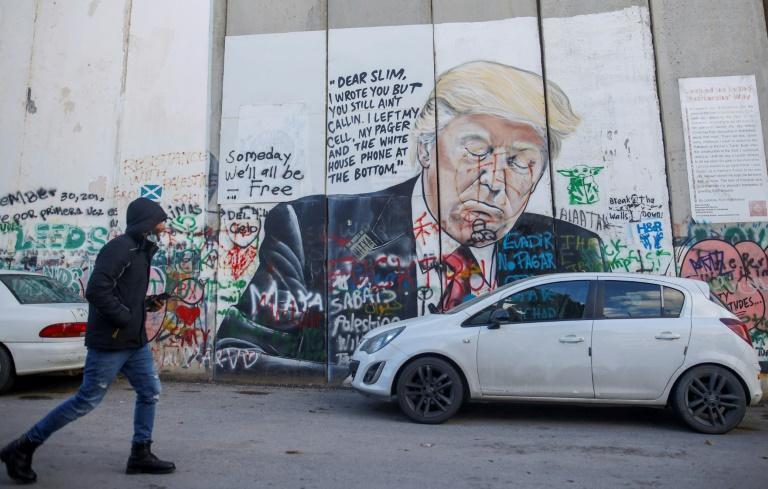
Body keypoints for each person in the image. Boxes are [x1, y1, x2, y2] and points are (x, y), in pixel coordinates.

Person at [215, 61, 605, 370]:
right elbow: (237, 354)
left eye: (521, 162)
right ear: (425, 149)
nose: (494, 181)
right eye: (476, 150)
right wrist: (363, 375)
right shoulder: (315, 226)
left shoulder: (568, 251)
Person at [0, 197, 175, 483]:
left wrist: (145, 304)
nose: (164, 224)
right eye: (160, 218)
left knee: (149, 390)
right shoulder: (119, 248)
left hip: (134, 342)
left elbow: (122, 295)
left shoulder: (142, 251)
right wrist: (124, 317)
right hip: (110, 341)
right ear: (147, 220)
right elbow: (96, 290)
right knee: (86, 400)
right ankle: (22, 446)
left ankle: (140, 453)